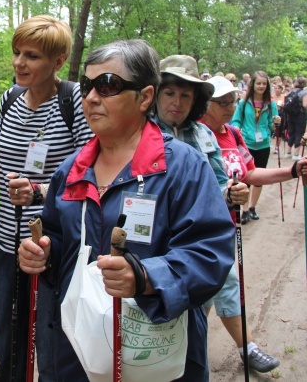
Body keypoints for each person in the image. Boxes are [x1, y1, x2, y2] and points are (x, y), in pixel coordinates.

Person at [18, 39, 235, 381]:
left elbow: (210, 252)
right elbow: (58, 240)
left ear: (145, 97)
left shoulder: (183, 167)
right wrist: (42, 254)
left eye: (107, 86)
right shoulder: (72, 170)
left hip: (157, 356)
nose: (90, 97)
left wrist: (146, 278)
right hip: (80, 353)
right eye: (88, 86)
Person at [0, 15, 93, 381]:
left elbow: (90, 180)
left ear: (58, 61)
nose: (20, 62)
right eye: (17, 53)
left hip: (52, 248)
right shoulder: (9, 100)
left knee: (53, 349)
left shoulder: (75, 105)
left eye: (32, 56)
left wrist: (38, 191)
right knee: (8, 344)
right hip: (7, 244)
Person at [201, 76, 307, 373]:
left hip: (226, 227)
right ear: (204, 103)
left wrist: (291, 171)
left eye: (231, 101)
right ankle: (243, 348)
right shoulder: (192, 135)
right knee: (218, 285)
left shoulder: (233, 134)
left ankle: (203, 348)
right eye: (220, 102)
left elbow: (250, 174)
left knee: (214, 289)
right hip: (199, 230)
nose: (228, 107)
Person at [151, 54, 232, 203]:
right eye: (169, 93)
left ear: (195, 99)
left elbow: (219, 183)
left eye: (185, 96)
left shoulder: (204, 134)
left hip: (196, 221)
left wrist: (231, 194)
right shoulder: (139, 132)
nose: (177, 102)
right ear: (155, 95)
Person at [231, 71, 281, 224]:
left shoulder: (271, 104)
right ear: (253, 84)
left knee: (259, 178)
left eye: (264, 84)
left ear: (267, 86)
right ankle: (245, 209)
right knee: (245, 177)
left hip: (264, 144)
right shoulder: (243, 103)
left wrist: (276, 123)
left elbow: (273, 127)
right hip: (246, 144)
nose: (261, 86)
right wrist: (237, 130)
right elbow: (236, 121)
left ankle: (252, 207)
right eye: (258, 83)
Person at [284, 77, 307, 160]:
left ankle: (288, 152)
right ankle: (296, 154)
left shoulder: (291, 91)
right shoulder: (305, 93)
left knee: (291, 132)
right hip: (301, 115)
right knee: (299, 133)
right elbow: (305, 105)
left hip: (290, 115)